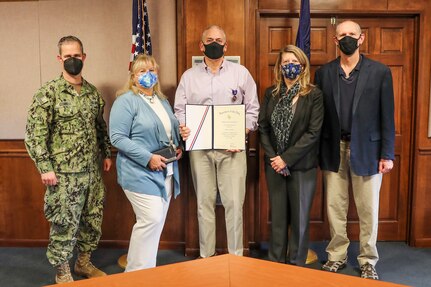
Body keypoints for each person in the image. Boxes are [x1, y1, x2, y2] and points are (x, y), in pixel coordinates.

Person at [24, 36, 112, 284]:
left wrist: (105, 153)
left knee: (92, 219)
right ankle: (63, 271)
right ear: (59, 58)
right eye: (68, 56)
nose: (73, 60)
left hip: (92, 172)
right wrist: (45, 168)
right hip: (63, 175)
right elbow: (35, 134)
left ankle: (83, 263)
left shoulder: (92, 93)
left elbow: (99, 127)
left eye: (77, 56)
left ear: (84, 57)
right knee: (64, 223)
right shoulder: (48, 93)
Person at [314, 20, 395, 280]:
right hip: (333, 147)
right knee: (335, 206)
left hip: (368, 150)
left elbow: (387, 117)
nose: (347, 38)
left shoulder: (380, 72)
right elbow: (319, 116)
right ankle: (336, 255)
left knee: (368, 208)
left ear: (361, 39)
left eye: (352, 34)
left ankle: (368, 259)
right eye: (342, 35)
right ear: (334, 40)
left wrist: (387, 154)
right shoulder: (324, 73)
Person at [174, 25, 259, 258]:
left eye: (218, 40)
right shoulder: (188, 77)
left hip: (232, 150)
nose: (214, 43)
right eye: (209, 40)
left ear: (225, 45)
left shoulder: (241, 73)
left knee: (234, 205)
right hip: (200, 150)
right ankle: (206, 258)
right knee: (204, 204)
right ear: (201, 46)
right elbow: (179, 110)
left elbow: (253, 110)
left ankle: (235, 257)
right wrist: (183, 125)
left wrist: (241, 132)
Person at [109, 54, 182, 271]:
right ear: (133, 77)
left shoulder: (162, 100)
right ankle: (136, 275)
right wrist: (147, 158)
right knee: (150, 219)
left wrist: (178, 146)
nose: (148, 74)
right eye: (142, 71)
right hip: (138, 171)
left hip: (166, 170)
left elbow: (169, 132)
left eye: (152, 70)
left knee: (156, 225)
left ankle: (145, 272)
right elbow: (117, 137)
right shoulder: (125, 101)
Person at [258, 45, 323, 266]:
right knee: (278, 218)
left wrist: (286, 158)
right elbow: (263, 127)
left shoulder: (313, 94)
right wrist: (274, 158)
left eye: (294, 63)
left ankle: (296, 266)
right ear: (279, 67)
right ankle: (275, 264)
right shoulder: (271, 93)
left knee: (299, 220)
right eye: (286, 63)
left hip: (302, 166)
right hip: (274, 166)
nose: (290, 67)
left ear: (303, 66)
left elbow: (313, 133)